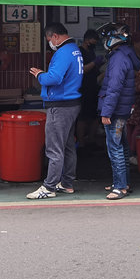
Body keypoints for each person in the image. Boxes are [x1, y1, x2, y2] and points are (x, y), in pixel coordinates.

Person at [26, 23, 83, 200]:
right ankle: (66, 183)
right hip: (72, 104)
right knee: (67, 146)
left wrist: (39, 75)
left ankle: (49, 186)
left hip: (60, 106)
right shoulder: (75, 49)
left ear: (55, 36)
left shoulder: (63, 53)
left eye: (49, 40)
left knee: (54, 148)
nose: (50, 43)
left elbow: (54, 78)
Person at [98, 22, 140, 200]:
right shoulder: (126, 55)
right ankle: (122, 182)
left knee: (114, 148)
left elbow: (114, 88)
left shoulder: (118, 59)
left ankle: (120, 187)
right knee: (122, 147)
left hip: (115, 111)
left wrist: (106, 112)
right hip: (122, 109)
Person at [77, 29, 104, 147]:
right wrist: (94, 63)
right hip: (84, 88)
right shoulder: (80, 51)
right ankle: (81, 142)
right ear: (87, 40)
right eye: (94, 41)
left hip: (94, 87)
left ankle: (91, 140)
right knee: (83, 117)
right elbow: (81, 70)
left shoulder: (91, 52)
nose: (95, 44)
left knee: (95, 116)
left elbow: (95, 70)